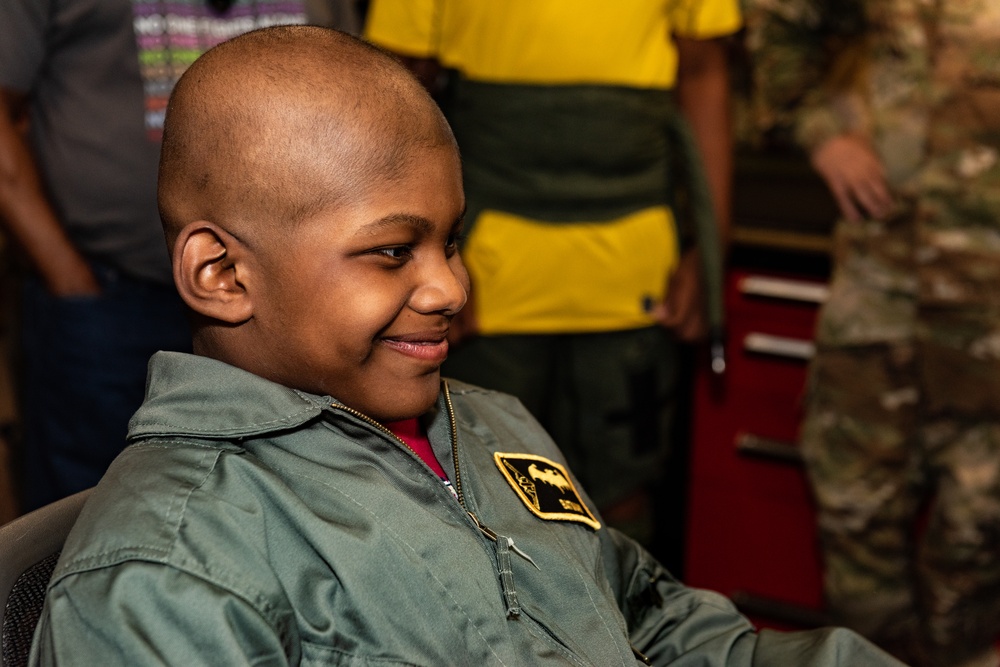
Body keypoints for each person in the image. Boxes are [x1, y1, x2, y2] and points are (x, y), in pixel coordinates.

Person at [28, 26, 903, 665]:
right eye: (391, 251)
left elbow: (646, 616)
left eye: (451, 241)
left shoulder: (488, 423)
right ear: (221, 272)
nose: (451, 286)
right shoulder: (167, 576)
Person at [363, 0, 738, 547]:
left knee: (623, 502)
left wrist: (710, 252)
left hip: (636, 283)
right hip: (484, 288)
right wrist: (417, 267)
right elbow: (393, 96)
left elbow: (705, 75)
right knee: (474, 499)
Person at [750, 2, 1000, 665]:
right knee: (855, 526)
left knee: (977, 545)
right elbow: (780, 20)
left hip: (990, 319)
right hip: (880, 297)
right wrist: (824, 131)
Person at [0, 0, 309, 512]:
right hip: (107, 301)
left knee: (265, 506)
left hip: (282, 303)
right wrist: (69, 278)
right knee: (86, 513)